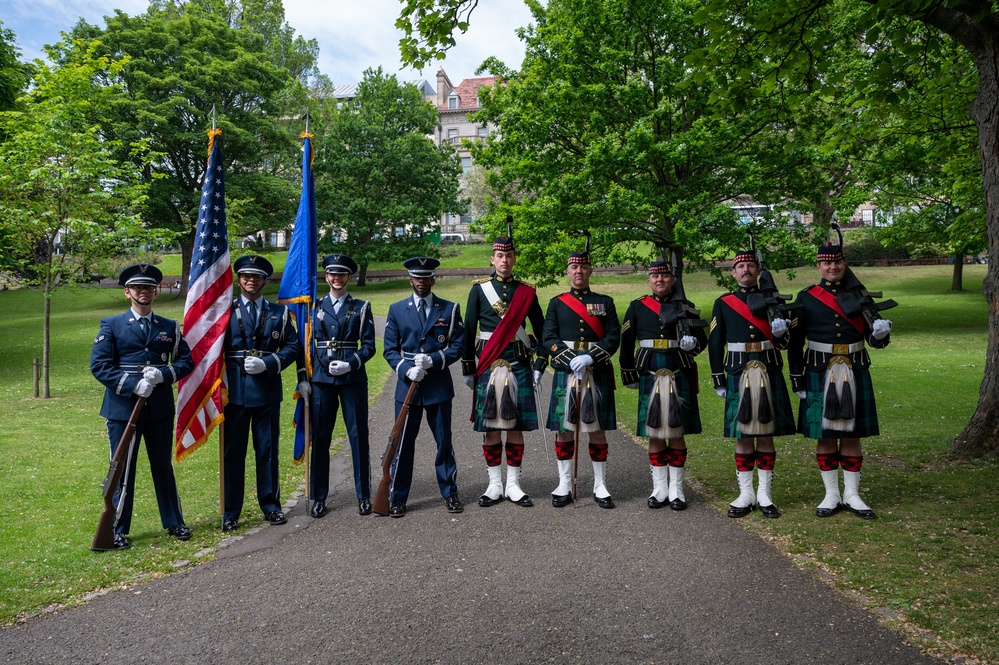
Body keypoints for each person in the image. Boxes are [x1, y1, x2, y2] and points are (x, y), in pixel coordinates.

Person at [90, 264, 194, 549]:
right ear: (127, 293)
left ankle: (174, 521)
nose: (143, 292)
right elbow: (99, 366)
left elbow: (186, 362)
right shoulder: (111, 325)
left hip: (159, 408)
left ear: (155, 292)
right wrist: (131, 383)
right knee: (122, 470)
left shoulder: (168, 327)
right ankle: (117, 528)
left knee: (163, 466)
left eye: (148, 288)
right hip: (123, 410)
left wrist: (163, 374)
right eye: (137, 288)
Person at [788, 239, 893, 520]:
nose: (832, 267)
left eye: (837, 262)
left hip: (854, 368)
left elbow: (876, 340)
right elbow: (795, 344)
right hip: (819, 371)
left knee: (852, 434)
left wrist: (880, 335)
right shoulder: (806, 297)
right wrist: (797, 378)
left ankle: (853, 494)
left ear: (844, 264)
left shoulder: (860, 296)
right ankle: (831, 494)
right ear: (819, 266)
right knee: (824, 434)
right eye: (827, 262)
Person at [461, 227, 548, 508]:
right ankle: (493, 484)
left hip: (519, 360)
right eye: (499, 255)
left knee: (515, 424)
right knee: (491, 425)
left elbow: (542, 331)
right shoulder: (479, 290)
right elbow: (468, 329)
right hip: (488, 359)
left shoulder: (527, 292)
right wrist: (466, 366)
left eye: (509, 256)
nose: (504, 261)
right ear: (492, 259)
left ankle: (513, 484)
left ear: (514, 259)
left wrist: (540, 363)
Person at [708, 250, 796, 519]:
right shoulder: (723, 303)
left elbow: (785, 343)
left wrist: (783, 332)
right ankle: (746, 493)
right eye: (740, 266)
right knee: (743, 435)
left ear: (758, 271)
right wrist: (717, 378)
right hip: (737, 370)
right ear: (733, 273)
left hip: (768, 368)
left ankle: (765, 494)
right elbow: (715, 342)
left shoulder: (774, 300)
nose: (745, 270)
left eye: (750, 266)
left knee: (766, 433)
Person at [220, 256, 301, 532]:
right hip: (233, 393)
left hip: (266, 391)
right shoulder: (224, 311)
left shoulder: (279, 313)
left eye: (256, 277)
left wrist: (268, 364)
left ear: (265, 281)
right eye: (245, 276)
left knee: (267, 451)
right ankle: (230, 511)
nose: (250, 281)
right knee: (233, 453)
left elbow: (292, 347)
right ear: (238, 279)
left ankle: (271, 506)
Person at [620, 256, 706, 511]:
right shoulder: (637, 307)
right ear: (649, 280)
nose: (660, 280)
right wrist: (629, 374)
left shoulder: (686, 305)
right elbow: (626, 341)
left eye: (665, 276)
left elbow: (703, 338)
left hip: (679, 369)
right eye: (655, 276)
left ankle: (677, 488)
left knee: (677, 431)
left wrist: (694, 345)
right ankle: (659, 488)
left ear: (672, 279)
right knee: (655, 431)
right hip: (649, 371)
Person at [382, 257, 465, 517]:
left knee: (444, 443)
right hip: (407, 387)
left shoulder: (449, 309)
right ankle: (397, 497)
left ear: (433, 279)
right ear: (410, 279)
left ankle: (449, 492)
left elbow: (458, 346)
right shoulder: (397, 310)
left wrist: (434, 360)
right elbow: (389, 350)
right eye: (417, 278)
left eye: (426, 277)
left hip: (438, 386)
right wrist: (406, 369)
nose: (421, 282)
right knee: (403, 444)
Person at [542, 239, 621, 509]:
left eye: (584, 267)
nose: (579, 272)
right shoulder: (556, 303)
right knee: (565, 430)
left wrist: (591, 357)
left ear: (590, 271)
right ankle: (564, 483)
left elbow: (613, 337)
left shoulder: (604, 302)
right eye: (574, 268)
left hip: (595, 371)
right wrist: (567, 360)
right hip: (567, 372)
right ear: (568, 272)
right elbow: (548, 338)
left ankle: (600, 485)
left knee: (596, 429)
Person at [309, 254, 376, 518]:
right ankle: (319, 497)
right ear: (326, 277)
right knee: (321, 438)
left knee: (358, 437)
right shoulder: (313, 306)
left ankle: (363, 495)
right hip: (322, 380)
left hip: (352, 379)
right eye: (331, 274)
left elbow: (369, 345)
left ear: (349, 277)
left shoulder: (361, 307)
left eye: (341, 275)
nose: (336, 279)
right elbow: (308, 343)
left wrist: (351, 363)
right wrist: (321, 364)